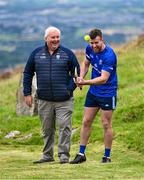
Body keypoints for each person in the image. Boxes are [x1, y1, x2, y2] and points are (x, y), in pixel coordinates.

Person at [23, 26, 80, 164]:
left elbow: (77, 73)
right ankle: (47, 155)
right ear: (46, 39)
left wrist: (70, 89)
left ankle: (64, 155)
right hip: (44, 99)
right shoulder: (36, 53)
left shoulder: (67, 53)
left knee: (64, 127)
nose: (55, 40)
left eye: (57, 37)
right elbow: (28, 73)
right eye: (52, 37)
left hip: (64, 100)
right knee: (47, 129)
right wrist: (27, 93)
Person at [70, 28, 118, 164]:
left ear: (102, 39)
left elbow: (103, 78)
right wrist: (80, 77)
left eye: (96, 42)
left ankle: (107, 156)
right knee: (86, 121)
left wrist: (85, 82)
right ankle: (81, 154)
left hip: (108, 93)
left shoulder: (110, 55)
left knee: (106, 123)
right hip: (93, 93)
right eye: (91, 43)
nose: (93, 46)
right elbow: (85, 64)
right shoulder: (89, 49)